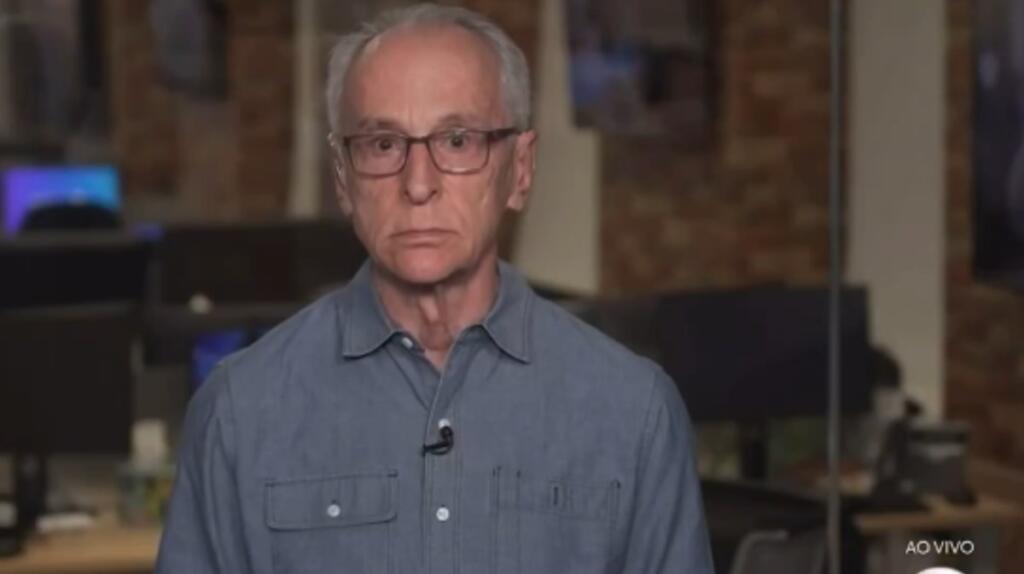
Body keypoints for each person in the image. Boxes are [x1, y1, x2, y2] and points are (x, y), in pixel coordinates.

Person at [155, 4, 713, 573]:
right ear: (343, 179)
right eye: (382, 145)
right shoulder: (240, 412)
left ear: (520, 170)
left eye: (457, 141)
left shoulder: (633, 412)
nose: (418, 184)